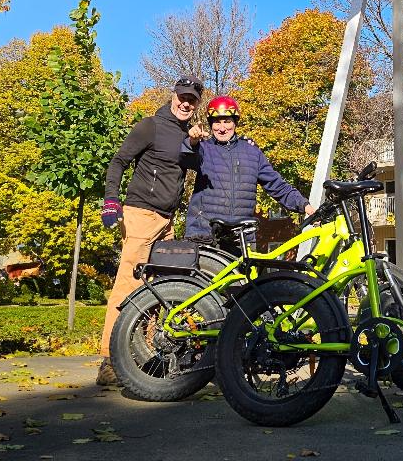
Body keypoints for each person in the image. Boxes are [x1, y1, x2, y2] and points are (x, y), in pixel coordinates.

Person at [95, 76, 206, 386]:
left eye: (192, 100)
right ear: (173, 96)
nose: (186, 103)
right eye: (182, 96)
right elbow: (118, 161)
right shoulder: (150, 126)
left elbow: (198, 166)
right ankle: (110, 360)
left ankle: (142, 358)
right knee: (128, 285)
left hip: (167, 220)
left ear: (196, 104)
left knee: (160, 290)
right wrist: (111, 201)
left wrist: (196, 144)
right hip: (141, 214)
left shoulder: (188, 134)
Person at [181, 95, 316, 244]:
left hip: (240, 238)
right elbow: (183, 158)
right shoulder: (203, 148)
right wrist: (192, 141)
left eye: (227, 121)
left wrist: (305, 206)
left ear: (235, 122)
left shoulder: (252, 152)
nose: (222, 128)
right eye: (217, 122)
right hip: (204, 234)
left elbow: (277, 185)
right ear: (211, 124)